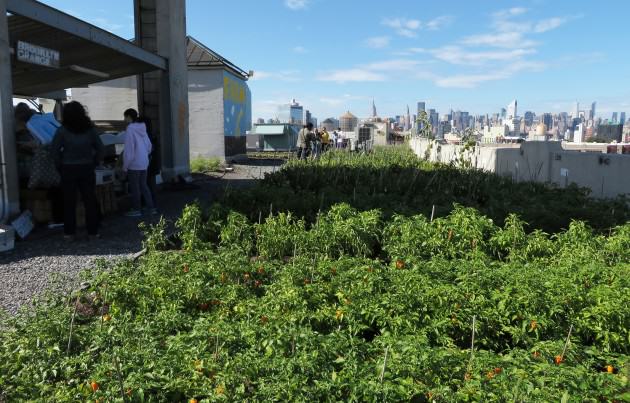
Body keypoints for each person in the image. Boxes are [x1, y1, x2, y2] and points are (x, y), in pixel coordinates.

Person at [51, 101, 104, 240]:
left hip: (68, 168)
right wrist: (95, 161)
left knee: (69, 202)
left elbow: (54, 151)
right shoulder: (90, 130)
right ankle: (93, 232)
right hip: (87, 167)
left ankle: (69, 233)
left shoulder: (62, 131)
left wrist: (59, 166)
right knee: (89, 200)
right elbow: (101, 148)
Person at [123, 109, 160, 208]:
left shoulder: (130, 129)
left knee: (135, 188)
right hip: (144, 163)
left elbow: (129, 151)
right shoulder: (143, 129)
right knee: (144, 186)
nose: (124, 119)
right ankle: (151, 207)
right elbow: (149, 147)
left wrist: (125, 166)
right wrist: (143, 156)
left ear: (129, 117)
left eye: (125, 117)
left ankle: (136, 209)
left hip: (134, 164)